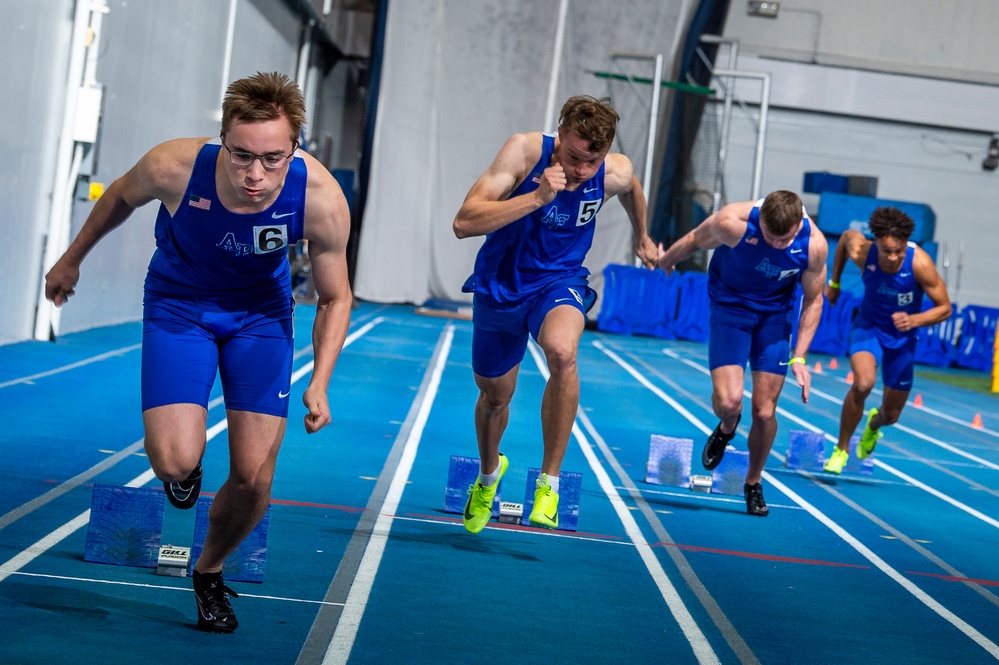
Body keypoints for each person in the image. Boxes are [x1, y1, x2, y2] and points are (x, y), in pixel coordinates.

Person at [44, 72, 353, 632]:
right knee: (174, 461)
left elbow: (335, 297)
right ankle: (183, 471)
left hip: (259, 318)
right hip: (180, 305)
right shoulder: (174, 167)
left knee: (256, 477)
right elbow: (117, 196)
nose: (255, 174)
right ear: (222, 139)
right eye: (241, 156)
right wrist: (72, 259)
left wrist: (321, 380)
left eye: (273, 159)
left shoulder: (322, 199)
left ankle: (208, 571)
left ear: (295, 148)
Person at [453, 95, 657, 532]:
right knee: (494, 397)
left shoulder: (612, 170)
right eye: (574, 157)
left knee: (563, 354)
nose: (583, 171)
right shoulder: (524, 152)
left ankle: (549, 482)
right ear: (559, 135)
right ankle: (489, 476)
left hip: (559, 280)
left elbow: (633, 187)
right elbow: (464, 222)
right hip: (502, 283)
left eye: (592, 161)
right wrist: (537, 197)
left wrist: (643, 236)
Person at [657, 191, 828, 516]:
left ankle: (752, 482)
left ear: (797, 226)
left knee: (764, 412)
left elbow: (814, 299)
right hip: (730, 308)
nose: (778, 246)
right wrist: (667, 260)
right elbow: (695, 239)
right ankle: (728, 425)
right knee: (728, 402)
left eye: (785, 241)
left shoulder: (813, 245)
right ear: (760, 220)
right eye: (770, 238)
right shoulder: (732, 222)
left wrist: (801, 357)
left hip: (774, 319)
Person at [822, 207, 951, 473]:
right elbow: (846, 238)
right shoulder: (863, 252)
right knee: (863, 383)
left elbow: (945, 308)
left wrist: (914, 320)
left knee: (891, 416)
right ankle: (841, 449)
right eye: (886, 251)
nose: (893, 257)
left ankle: (873, 426)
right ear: (876, 243)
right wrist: (834, 283)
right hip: (868, 327)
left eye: (899, 251)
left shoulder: (920, 264)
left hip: (902, 337)